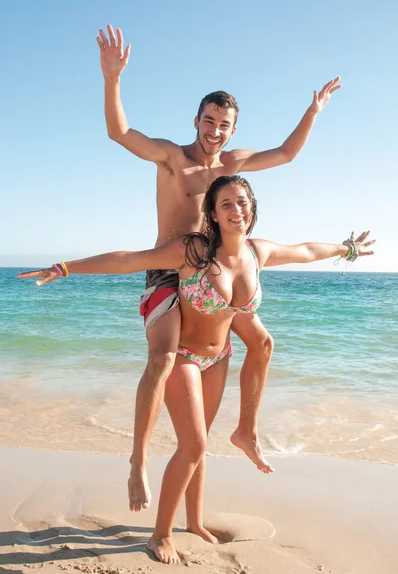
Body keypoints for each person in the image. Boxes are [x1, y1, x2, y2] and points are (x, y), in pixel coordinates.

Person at [18, 175, 375, 565]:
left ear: (252, 206)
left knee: (199, 443)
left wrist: (349, 248)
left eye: (242, 202)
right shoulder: (195, 252)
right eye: (226, 204)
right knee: (195, 445)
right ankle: (159, 535)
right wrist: (64, 268)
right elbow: (129, 260)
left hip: (218, 358)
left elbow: (306, 250)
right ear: (214, 214)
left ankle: (195, 520)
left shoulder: (259, 252)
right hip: (184, 356)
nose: (236, 210)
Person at [95, 24, 342, 512]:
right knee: (164, 359)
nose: (215, 131)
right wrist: (112, 78)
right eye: (209, 121)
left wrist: (312, 113)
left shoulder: (234, 164)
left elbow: (288, 154)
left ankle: (239, 441)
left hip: (214, 277)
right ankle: (138, 463)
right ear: (197, 120)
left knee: (257, 348)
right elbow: (119, 133)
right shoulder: (172, 158)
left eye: (224, 125)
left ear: (232, 129)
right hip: (170, 270)